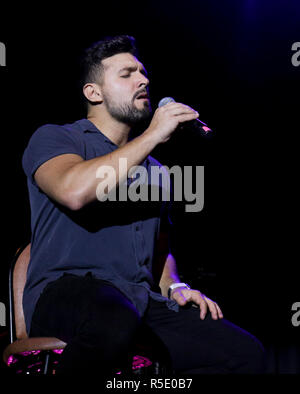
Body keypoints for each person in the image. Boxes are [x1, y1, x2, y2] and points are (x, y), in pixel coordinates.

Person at [22, 35, 265, 375]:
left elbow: (160, 249)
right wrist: (152, 135)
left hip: (138, 301)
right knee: (113, 319)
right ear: (94, 93)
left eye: (143, 72)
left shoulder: (158, 172)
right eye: (127, 74)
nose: (143, 80)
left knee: (242, 354)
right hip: (67, 292)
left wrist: (176, 284)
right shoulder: (58, 138)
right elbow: (73, 191)